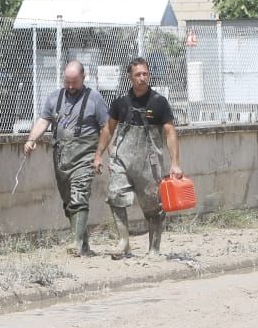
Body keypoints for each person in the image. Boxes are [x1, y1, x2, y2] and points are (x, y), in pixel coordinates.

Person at [92, 57, 183, 260]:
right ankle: (124, 241)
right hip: (122, 161)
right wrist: (99, 154)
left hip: (149, 164)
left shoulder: (159, 102)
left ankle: (154, 249)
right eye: (138, 75)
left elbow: (170, 132)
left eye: (145, 74)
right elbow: (108, 129)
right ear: (130, 77)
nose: (142, 78)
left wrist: (175, 163)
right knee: (115, 197)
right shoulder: (120, 102)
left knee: (154, 206)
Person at [23, 59, 110, 256]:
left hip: (85, 157)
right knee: (69, 202)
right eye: (67, 82)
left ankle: (76, 243)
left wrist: (103, 156)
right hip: (61, 158)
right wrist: (31, 140)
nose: (71, 86)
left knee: (79, 196)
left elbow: (107, 128)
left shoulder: (95, 99)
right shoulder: (54, 97)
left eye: (75, 82)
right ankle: (83, 242)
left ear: (83, 78)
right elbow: (44, 120)